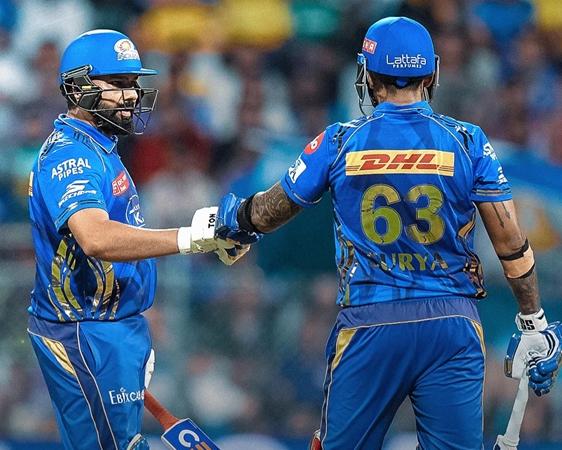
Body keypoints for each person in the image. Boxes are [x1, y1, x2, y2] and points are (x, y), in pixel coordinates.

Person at [213, 17, 562, 449]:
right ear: (431, 73)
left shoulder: (339, 141)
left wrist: (239, 217)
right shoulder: (469, 141)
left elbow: (271, 211)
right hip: (451, 325)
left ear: (368, 75)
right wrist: (533, 320)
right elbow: (510, 242)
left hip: (370, 321)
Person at [27, 29, 245, 450]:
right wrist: (192, 239)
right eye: (117, 84)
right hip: (86, 332)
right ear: (78, 88)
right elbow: (94, 237)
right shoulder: (71, 154)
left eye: (132, 84)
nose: (130, 96)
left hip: (110, 329)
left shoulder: (98, 147)